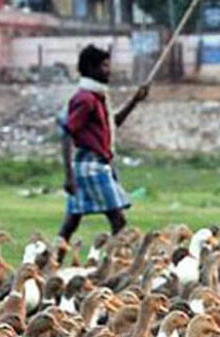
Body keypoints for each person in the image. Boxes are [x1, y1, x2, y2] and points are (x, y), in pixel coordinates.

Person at [56, 44, 149, 263]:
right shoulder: (85, 99)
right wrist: (68, 176)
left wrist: (135, 101)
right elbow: (67, 133)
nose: (109, 70)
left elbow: (112, 124)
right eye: (105, 66)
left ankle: (52, 263)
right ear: (91, 68)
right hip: (90, 167)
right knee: (118, 221)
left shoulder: (97, 98)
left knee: (72, 221)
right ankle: (121, 265)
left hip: (93, 165)